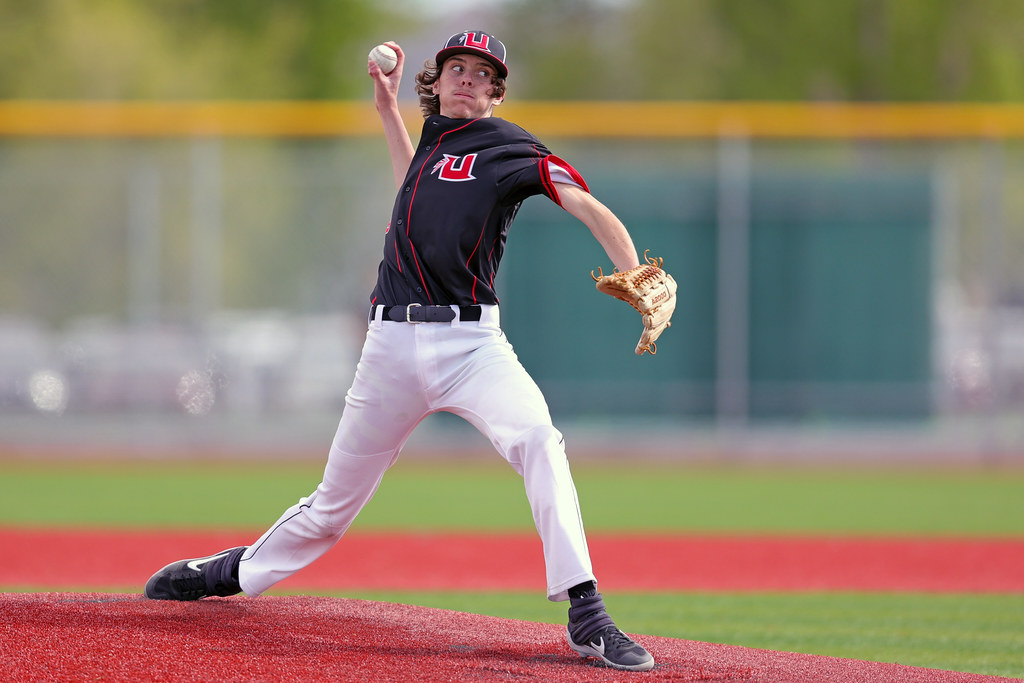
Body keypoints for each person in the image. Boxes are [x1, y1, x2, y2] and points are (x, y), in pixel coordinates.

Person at [144, 30, 656, 673]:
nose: (468, 77)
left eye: (482, 72)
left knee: (539, 440)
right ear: (437, 81)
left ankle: (587, 612)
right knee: (331, 507)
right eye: (457, 67)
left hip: (472, 346)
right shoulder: (431, 147)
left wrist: (635, 272)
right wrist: (387, 109)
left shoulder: (509, 147)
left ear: (496, 91)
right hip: (388, 347)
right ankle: (228, 572)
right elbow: (410, 189)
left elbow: (582, 201)